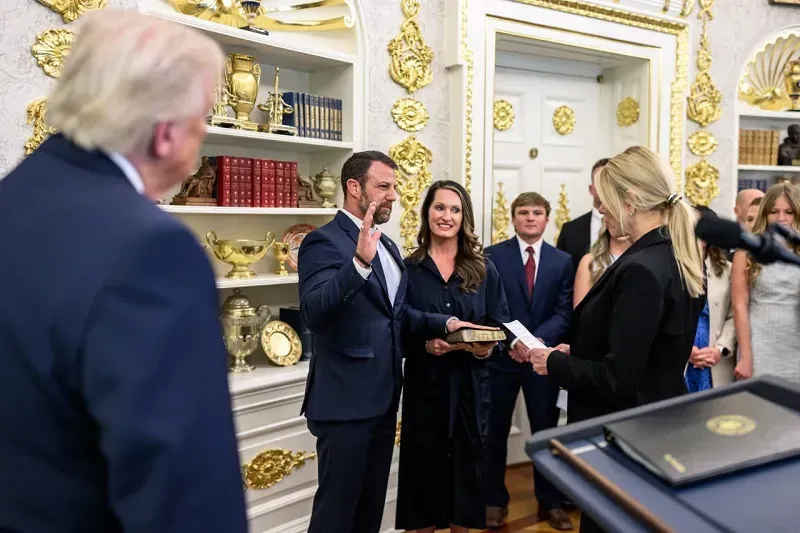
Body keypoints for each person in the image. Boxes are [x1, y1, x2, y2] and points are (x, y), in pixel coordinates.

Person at [0, 11, 247, 533]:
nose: (205, 133)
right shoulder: (151, 251)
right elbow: (184, 495)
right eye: (203, 117)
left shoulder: (12, 202)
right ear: (165, 134)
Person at [297, 152, 489, 533]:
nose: (394, 196)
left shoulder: (386, 245)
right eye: (384, 186)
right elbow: (314, 313)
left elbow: (396, 316)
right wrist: (357, 264)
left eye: (394, 187)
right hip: (345, 406)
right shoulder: (322, 241)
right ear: (354, 188)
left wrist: (447, 323)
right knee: (335, 516)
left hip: (384, 402)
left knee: (369, 515)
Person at [528, 146, 705, 533]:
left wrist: (553, 362)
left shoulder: (641, 268)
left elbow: (618, 380)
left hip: (624, 436)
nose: (600, 208)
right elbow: (646, 348)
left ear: (631, 200)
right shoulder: (678, 256)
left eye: (605, 198)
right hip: (656, 425)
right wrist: (581, 349)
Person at [396, 180, 510, 533]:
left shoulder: (484, 269)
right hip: (423, 390)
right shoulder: (408, 268)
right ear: (427, 213)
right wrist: (425, 345)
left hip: (471, 391)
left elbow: (500, 326)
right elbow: (397, 321)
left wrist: (486, 347)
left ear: (465, 218)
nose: (446, 216)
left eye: (455, 209)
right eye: (440, 207)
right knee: (421, 482)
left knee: (466, 485)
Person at [484, 192, 575, 531]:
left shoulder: (563, 261)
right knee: (494, 432)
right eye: (523, 212)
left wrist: (534, 345)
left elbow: (564, 312)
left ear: (547, 219)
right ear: (513, 218)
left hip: (543, 362)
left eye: (537, 212)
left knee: (545, 431)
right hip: (503, 359)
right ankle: (493, 500)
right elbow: (491, 307)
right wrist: (514, 341)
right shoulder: (493, 256)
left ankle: (550, 502)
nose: (530, 217)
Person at [731, 182, 800, 383]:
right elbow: (739, 305)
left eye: (789, 212)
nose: (781, 218)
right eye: (774, 212)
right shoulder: (748, 250)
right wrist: (746, 356)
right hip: (759, 345)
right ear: (765, 214)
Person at [685, 206, 737, 392]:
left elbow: (734, 315)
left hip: (715, 359)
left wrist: (720, 349)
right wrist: (684, 350)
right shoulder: (671, 266)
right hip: (681, 359)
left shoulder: (727, 270)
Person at [557, 158, 609, 270]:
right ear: (591, 189)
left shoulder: (630, 228)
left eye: (610, 181)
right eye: (601, 181)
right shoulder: (570, 230)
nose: (606, 186)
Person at [572, 226, 631, 307]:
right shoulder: (589, 261)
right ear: (607, 222)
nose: (621, 225)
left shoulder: (643, 258)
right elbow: (580, 309)